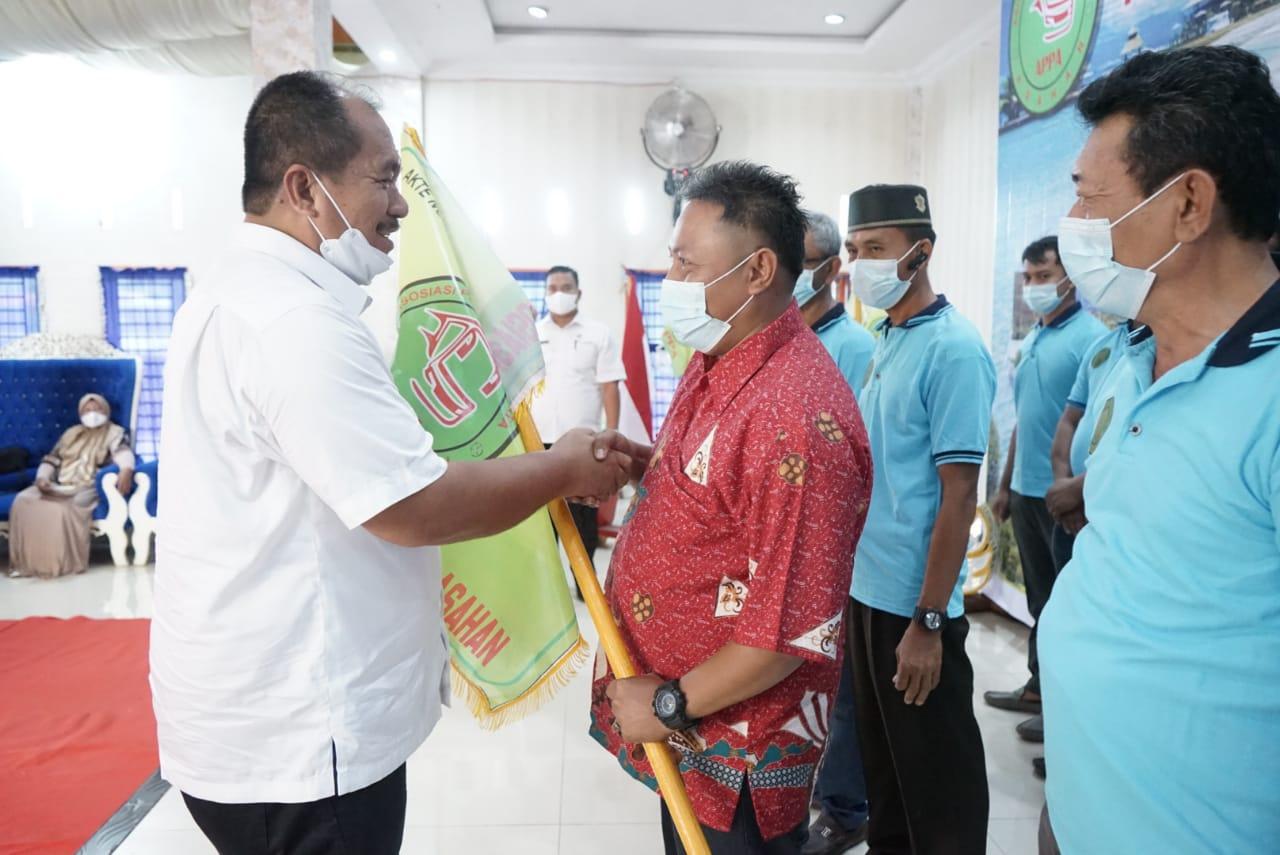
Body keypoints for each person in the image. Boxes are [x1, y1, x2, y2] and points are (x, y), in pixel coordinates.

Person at [150, 71, 640, 855]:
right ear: (305, 189)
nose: (401, 206)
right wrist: (562, 469)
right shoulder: (292, 319)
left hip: (261, 714)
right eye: (383, 179)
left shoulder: (242, 291)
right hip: (301, 739)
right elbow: (413, 504)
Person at [592, 161, 873, 855]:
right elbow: (720, 483)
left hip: (735, 744)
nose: (672, 281)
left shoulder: (797, 420)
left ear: (757, 271)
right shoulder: (719, 352)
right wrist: (642, 462)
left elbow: (788, 634)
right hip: (688, 733)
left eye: (687, 265)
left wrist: (669, 704)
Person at [1039, 45, 1280, 852]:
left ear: (1188, 205)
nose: (1073, 221)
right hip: (1079, 809)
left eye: (1089, 196)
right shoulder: (1132, 354)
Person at [844, 184, 995, 854]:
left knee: (939, 789)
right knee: (887, 777)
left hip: (914, 606)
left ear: (920, 252)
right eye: (854, 250)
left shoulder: (953, 349)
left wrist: (929, 622)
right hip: (868, 593)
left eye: (876, 248)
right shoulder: (889, 337)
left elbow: (958, 496)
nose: (861, 264)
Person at [985, 236, 1103, 752]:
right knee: (1040, 599)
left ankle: (1064, 714)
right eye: (1028, 278)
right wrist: (1005, 484)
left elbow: (1094, 423)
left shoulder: (1091, 339)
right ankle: (1038, 689)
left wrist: (1076, 490)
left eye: (1043, 276)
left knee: (1064, 610)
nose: (1034, 286)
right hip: (1025, 490)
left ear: (1069, 278)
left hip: (1063, 498)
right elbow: (1023, 419)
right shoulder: (1035, 335)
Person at [796, 209, 872, 855]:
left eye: (799, 261)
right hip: (791, 549)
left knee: (842, 685)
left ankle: (846, 806)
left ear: (827, 270)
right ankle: (818, 787)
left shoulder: (855, 350)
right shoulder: (782, 343)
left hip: (840, 550)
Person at [532, 264, 627, 593]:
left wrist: (611, 434)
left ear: (579, 293)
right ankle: (546, 591)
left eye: (566, 287)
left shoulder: (598, 334)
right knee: (542, 522)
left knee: (583, 518)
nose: (559, 294)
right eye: (552, 288)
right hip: (537, 441)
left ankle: (585, 588)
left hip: (583, 443)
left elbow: (609, 386)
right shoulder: (533, 333)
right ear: (545, 293)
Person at [7, 393, 134, 578]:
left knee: (59, 509)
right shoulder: (70, 434)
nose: (92, 414)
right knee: (23, 500)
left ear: (106, 411)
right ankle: (24, 564)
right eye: (87, 410)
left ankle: (58, 565)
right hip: (59, 483)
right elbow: (52, 459)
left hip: (87, 486)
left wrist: (126, 469)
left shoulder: (115, 433)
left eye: (97, 409)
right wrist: (42, 478)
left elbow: (123, 453)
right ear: (80, 413)